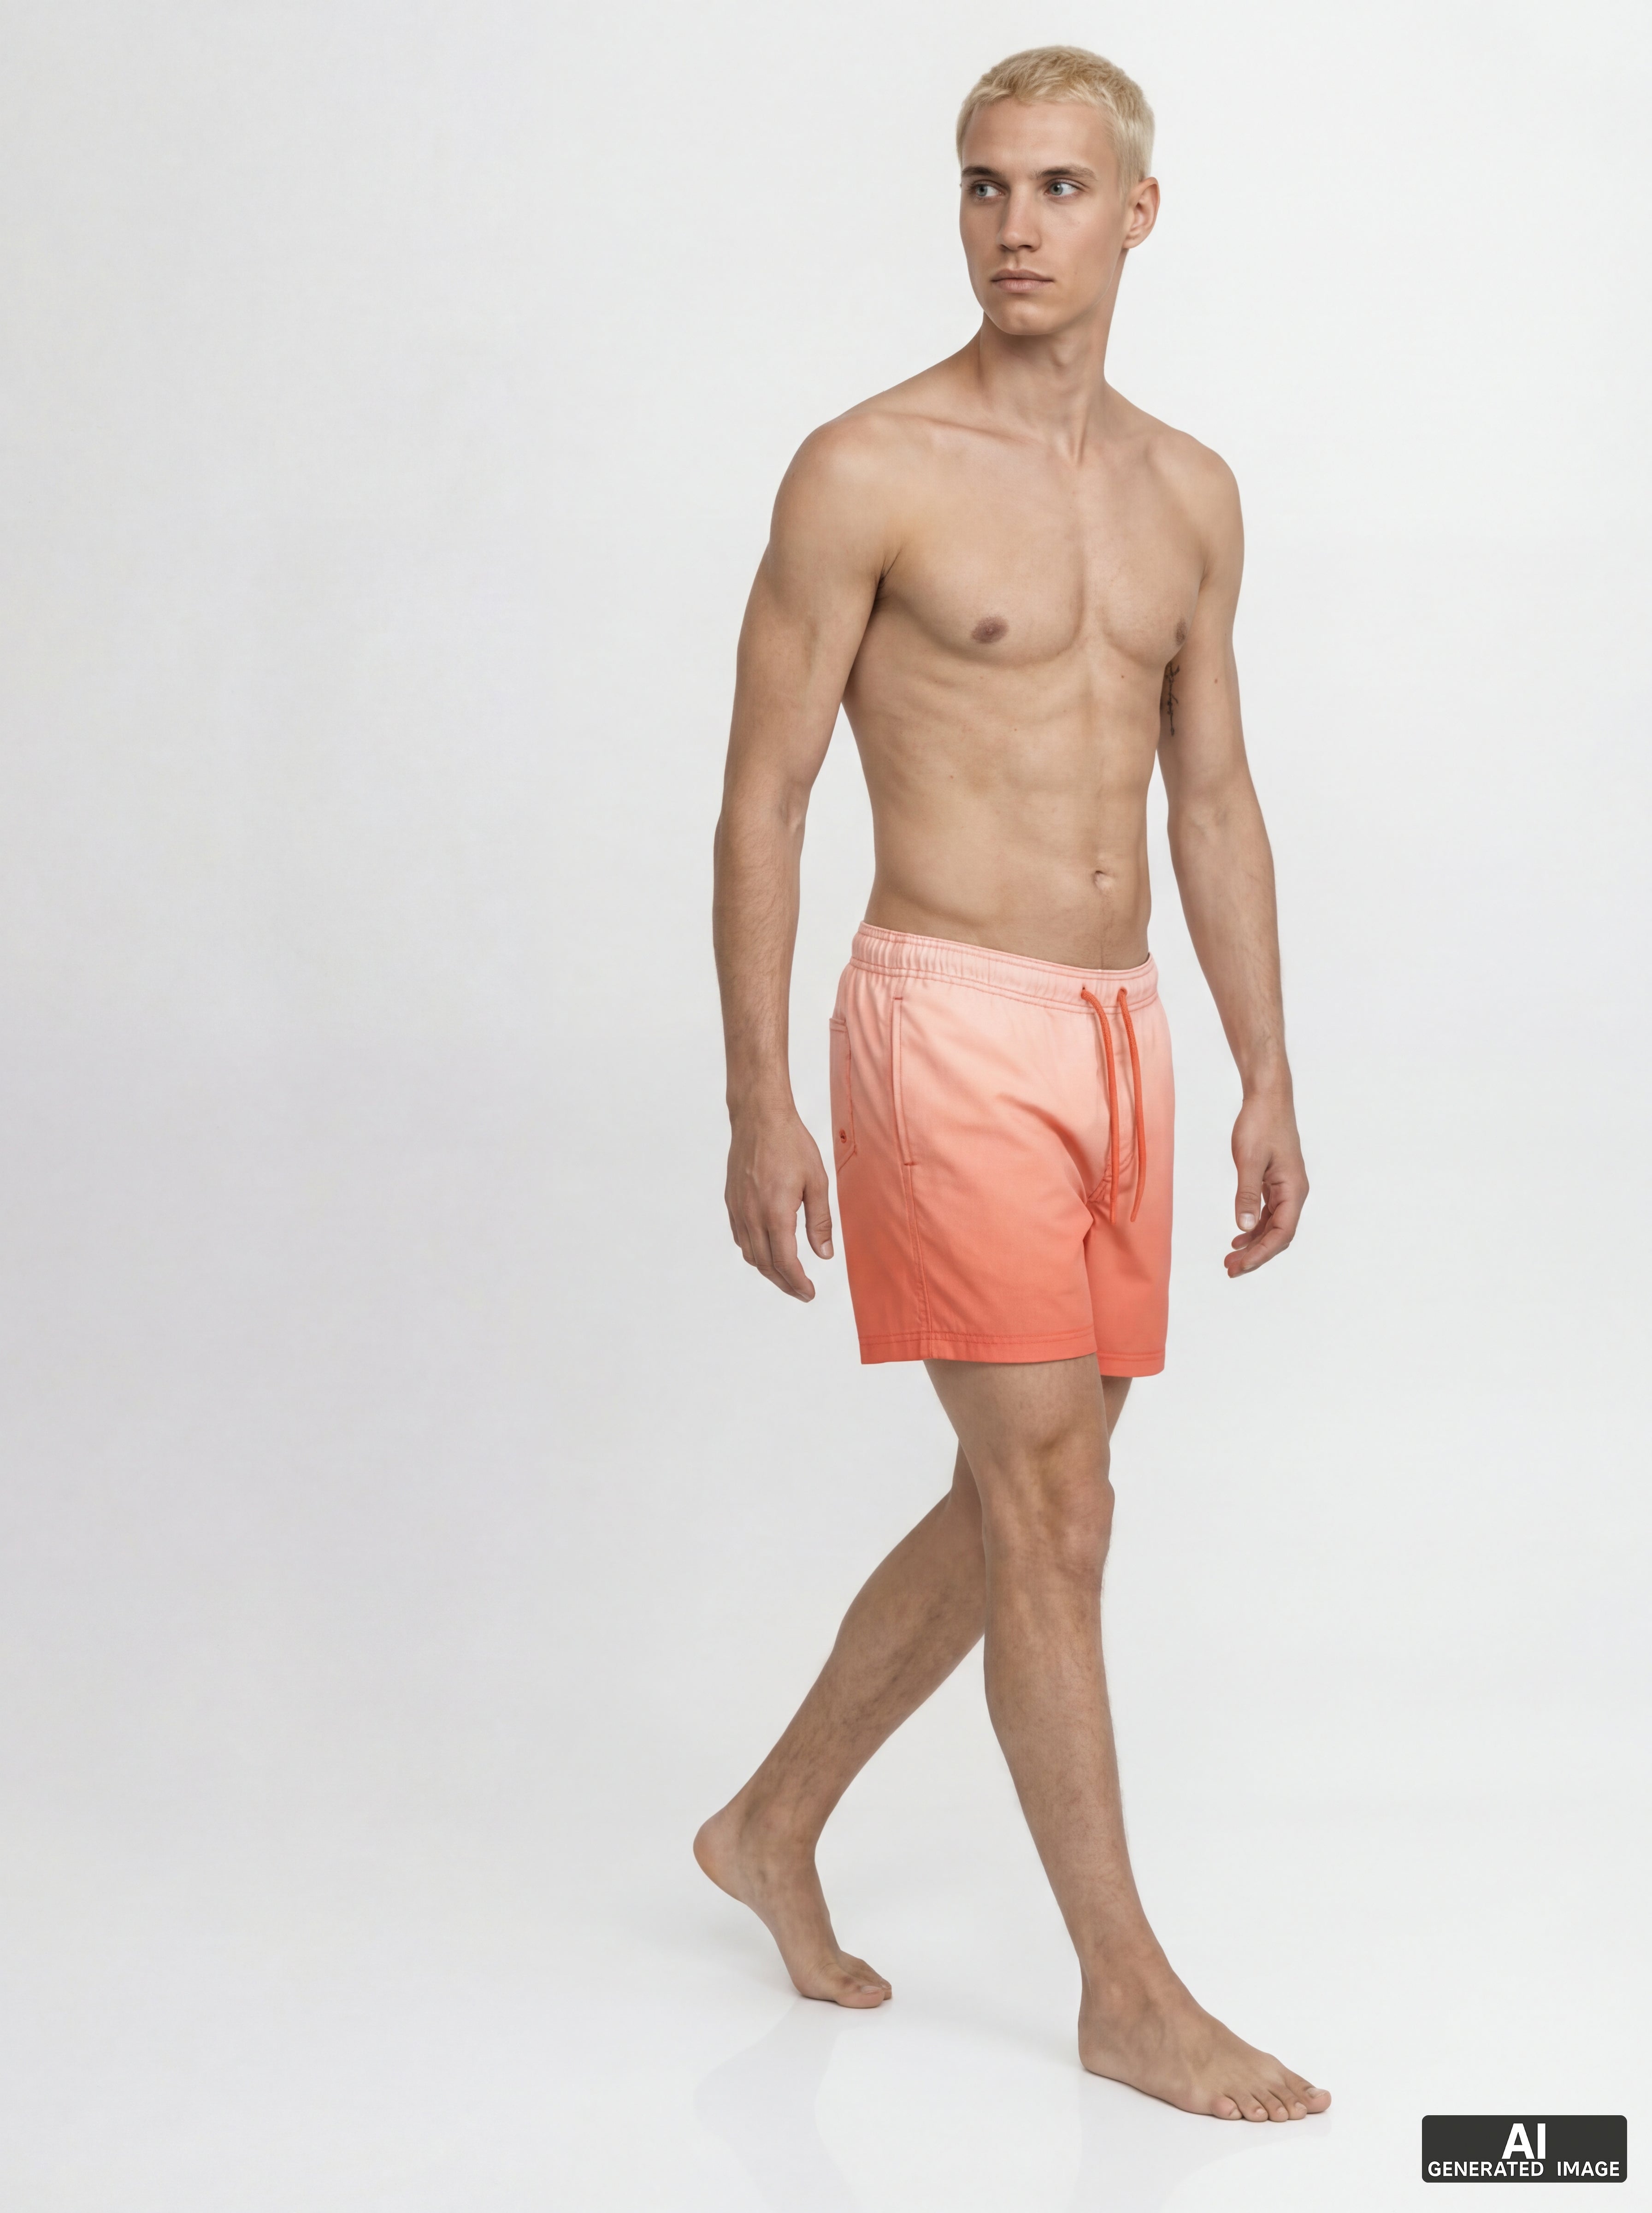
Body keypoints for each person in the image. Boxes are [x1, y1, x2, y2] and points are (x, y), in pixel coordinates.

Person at [697, 45, 1330, 2125]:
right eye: (983, 186)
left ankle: (771, 1818)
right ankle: (1125, 1992)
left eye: (1058, 188)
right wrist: (759, 1095)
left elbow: (1212, 798)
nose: (1013, 227)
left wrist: (1263, 1065)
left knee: (1036, 1493)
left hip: (1119, 1034)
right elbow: (763, 799)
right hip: (942, 1021)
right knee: (1052, 1502)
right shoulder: (864, 467)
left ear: (1137, 212)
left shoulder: (1188, 495)